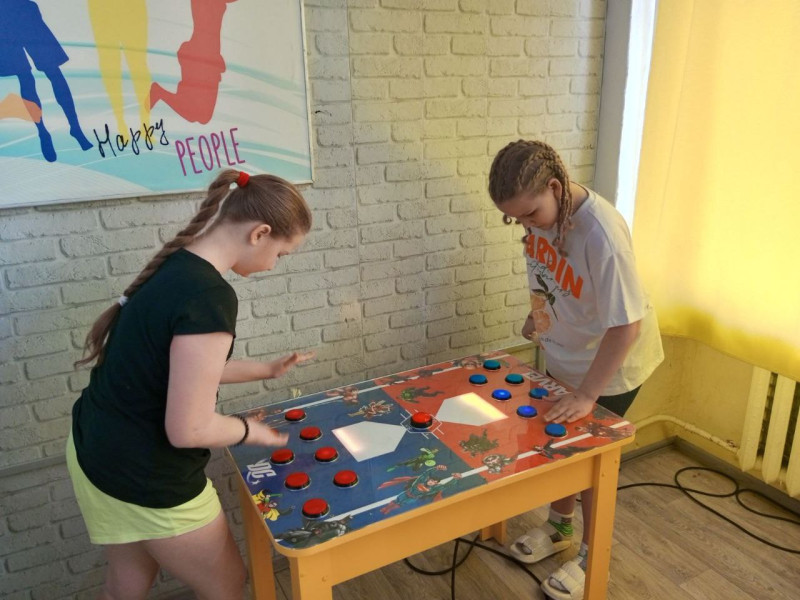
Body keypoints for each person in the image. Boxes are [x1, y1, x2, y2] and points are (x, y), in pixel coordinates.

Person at [67, 169, 314, 599]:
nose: (274, 264)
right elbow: (189, 429)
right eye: (281, 253)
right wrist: (250, 431)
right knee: (227, 584)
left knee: (127, 583)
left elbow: (177, 369)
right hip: (145, 473)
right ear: (259, 233)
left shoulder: (177, 265)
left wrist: (266, 369)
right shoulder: (209, 295)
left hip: (94, 448)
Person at [488, 140, 663, 600]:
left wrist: (587, 395)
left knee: (589, 463)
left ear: (554, 187)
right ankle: (559, 528)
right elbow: (551, 276)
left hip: (609, 365)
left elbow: (626, 325)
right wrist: (538, 314)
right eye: (515, 219)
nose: (526, 225)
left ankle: (591, 554)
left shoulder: (601, 234)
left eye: (530, 214)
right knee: (559, 448)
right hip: (568, 353)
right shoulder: (543, 216)